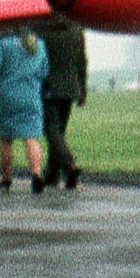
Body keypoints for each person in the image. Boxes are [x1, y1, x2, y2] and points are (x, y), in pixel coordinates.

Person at [0, 30, 49, 192]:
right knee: (31, 138)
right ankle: (36, 174)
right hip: (31, 97)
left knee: (6, 139)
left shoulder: (4, 42)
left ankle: (6, 177)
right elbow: (44, 72)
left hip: (7, 97)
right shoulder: (40, 44)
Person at [37, 16, 87, 189]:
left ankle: (69, 164)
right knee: (59, 131)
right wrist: (83, 90)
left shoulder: (44, 29)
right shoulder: (77, 28)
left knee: (51, 129)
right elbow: (82, 61)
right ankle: (52, 174)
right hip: (71, 87)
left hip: (50, 85)